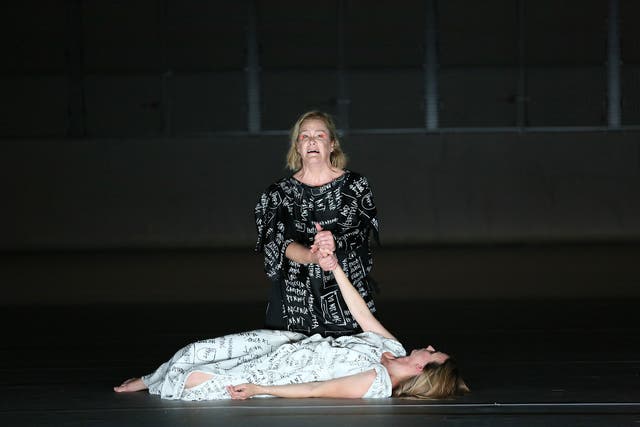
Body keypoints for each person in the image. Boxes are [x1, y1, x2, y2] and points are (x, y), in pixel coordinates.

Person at [113, 248, 469, 400]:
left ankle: (156, 381)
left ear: (423, 366)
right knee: (197, 349)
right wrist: (334, 268)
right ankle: (149, 378)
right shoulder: (392, 349)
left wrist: (257, 389)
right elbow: (362, 313)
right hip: (287, 344)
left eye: (434, 354)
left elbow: (315, 391)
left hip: (274, 374)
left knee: (188, 381)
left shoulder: (376, 382)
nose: (431, 346)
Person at [255, 110, 380, 337]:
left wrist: (334, 241)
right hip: (294, 305)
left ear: (332, 144)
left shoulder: (355, 186)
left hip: (346, 300)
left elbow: (360, 235)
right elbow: (279, 245)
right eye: (304, 136)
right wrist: (313, 256)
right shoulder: (277, 194)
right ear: (297, 146)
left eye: (320, 135)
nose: (312, 141)